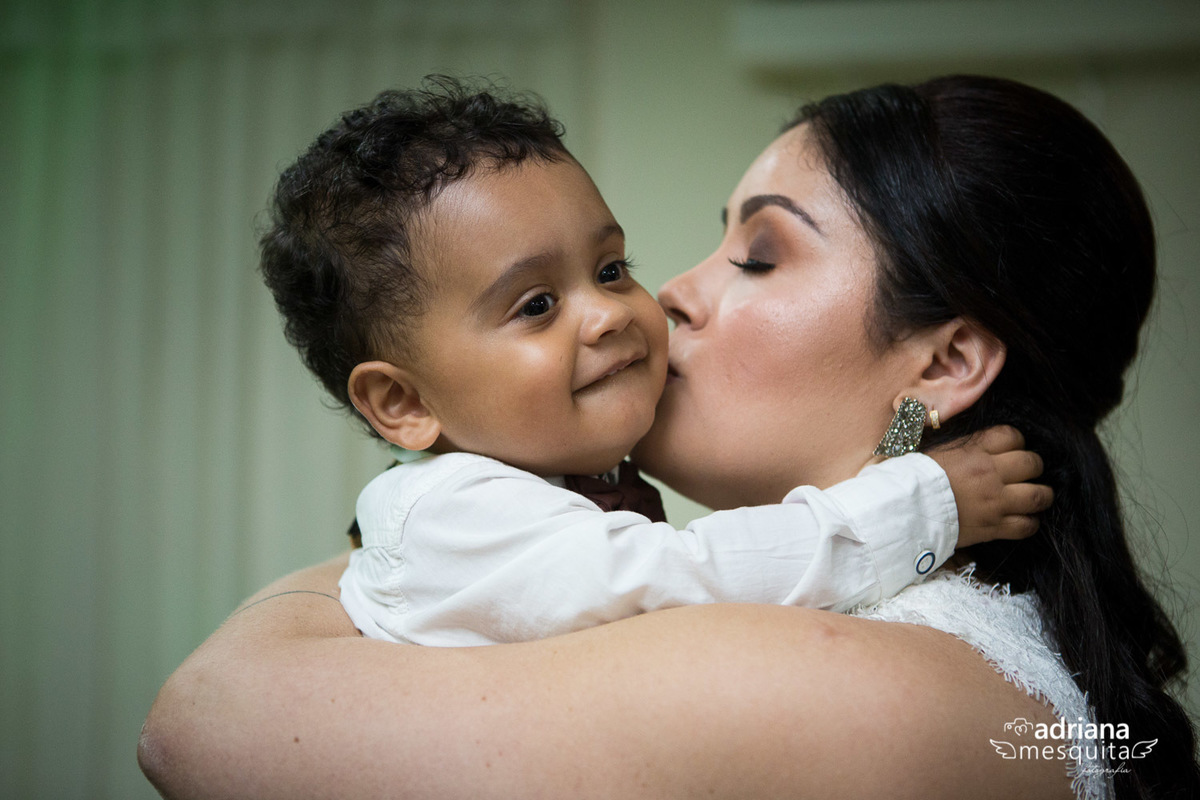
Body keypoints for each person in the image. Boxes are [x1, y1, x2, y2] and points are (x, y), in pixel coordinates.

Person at [139, 75, 1200, 799]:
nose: (666, 298)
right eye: (531, 303)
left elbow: (202, 717)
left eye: (761, 254)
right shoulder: (981, 665)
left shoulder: (863, 681)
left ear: (940, 364)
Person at [258, 81, 1044, 647]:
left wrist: (908, 473)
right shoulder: (457, 513)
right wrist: (920, 501)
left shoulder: (936, 664)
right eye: (534, 305)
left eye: (609, 269)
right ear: (400, 403)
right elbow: (688, 575)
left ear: (943, 364)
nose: (642, 301)